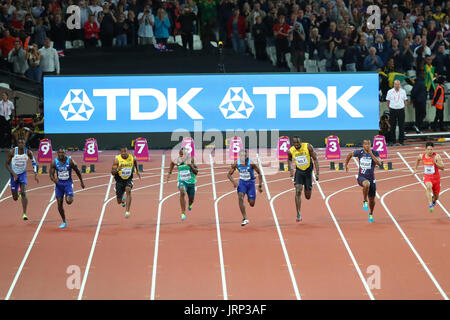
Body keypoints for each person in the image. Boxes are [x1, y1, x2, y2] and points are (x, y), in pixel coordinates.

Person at [344, 139, 381, 223]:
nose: (367, 146)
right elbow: (350, 154)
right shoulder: (359, 152)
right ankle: (364, 200)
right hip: (361, 177)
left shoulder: (375, 153)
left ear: (371, 144)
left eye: (368, 144)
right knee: (366, 184)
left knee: (372, 200)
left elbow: (379, 163)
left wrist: (371, 154)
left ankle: (371, 213)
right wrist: (346, 164)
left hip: (372, 179)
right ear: (363, 145)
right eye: (365, 144)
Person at [49, 147, 85, 229]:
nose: (61, 154)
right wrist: (55, 180)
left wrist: (81, 181)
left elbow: (77, 171)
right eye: (60, 153)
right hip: (59, 185)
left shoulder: (70, 161)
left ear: (65, 153)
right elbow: (51, 174)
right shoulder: (54, 162)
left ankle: (69, 194)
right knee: (59, 204)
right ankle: (64, 221)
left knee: (69, 201)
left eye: (63, 152)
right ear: (57, 153)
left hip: (68, 183)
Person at [5, 138, 39, 220]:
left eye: (22, 143)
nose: (21, 144)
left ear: (24, 144)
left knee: (24, 193)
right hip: (13, 174)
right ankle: (17, 192)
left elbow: (34, 162)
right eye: (19, 143)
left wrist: (35, 174)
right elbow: (6, 164)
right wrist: (13, 174)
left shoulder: (28, 152)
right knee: (15, 198)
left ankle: (24, 213)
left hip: (22, 174)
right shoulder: (12, 152)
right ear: (17, 144)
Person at [227, 149, 263, 226]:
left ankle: (249, 197)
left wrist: (260, 186)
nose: (243, 157)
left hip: (251, 184)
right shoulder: (237, 163)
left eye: (245, 156)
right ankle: (245, 218)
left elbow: (260, 173)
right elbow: (229, 174)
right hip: (242, 183)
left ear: (247, 156)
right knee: (240, 197)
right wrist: (234, 182)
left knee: (252, 204)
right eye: (242, 156)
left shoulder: (252, 163)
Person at [287, 136, 319, 222]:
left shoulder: (308, 146)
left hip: (308, 172)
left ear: (300, 142)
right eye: (295, 143)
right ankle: (298, 214)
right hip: (299, 172)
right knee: (298, 190)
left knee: (307, 196)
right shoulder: (291, 151)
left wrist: (317, 173)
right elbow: (289, 160)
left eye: (298, 143)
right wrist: (291, 169)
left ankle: (309, 187)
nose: (296, 145)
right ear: (292, 143)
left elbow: (315, 159)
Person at [166, 147, 198, 221]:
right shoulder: (177, 160)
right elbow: (171, 164)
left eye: (182, 154)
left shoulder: (191, 160)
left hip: (191, 182)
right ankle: (183, 213)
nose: (181, 156)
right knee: (182, 192)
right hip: (182, 181)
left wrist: (191, 166)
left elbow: (196, 172)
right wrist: (169, 174)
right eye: (180, 154)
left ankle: (190, 204)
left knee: (191, 199)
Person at [413, 142, 445, 212]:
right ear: (425, 150)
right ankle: (430, 205)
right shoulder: (422, 156)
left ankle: (433, 200)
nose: (430, 151)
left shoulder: (437, 156)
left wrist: (436, 163)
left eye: (431, 149)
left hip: (436, 179)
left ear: (433, 149)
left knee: (436, 197)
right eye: (428, 149)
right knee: (428, 186)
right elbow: (417, 159)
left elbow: (443, 168)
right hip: (427, 177)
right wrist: (415, 169)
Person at [111, 146, 141, 218]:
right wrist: (118, 168)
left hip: (128, 179)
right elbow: (112, 173)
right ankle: (123, 200)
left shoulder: (132, 157)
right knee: (119, 201)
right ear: (120, 152)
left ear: (127, 151)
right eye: (122, 152)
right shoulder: (117, 160)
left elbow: (135, 162)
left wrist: (137, 171)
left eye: (125, 151)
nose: (124, 153)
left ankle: (127, 211)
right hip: (119, 180)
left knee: (128, 190)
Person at [386, 79, 408, 146]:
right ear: (394, 85)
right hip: (392, 110)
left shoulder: (403, 91)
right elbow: (388, 101)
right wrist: (390, 108)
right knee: (392, 126)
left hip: (401, 110)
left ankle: (401, 141)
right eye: (396, 84)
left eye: (398, 84)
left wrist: (402, 106)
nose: (397, 85)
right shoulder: (390, 91)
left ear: (400, 85)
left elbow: (405, 100)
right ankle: (392, 141)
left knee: (401, 126)